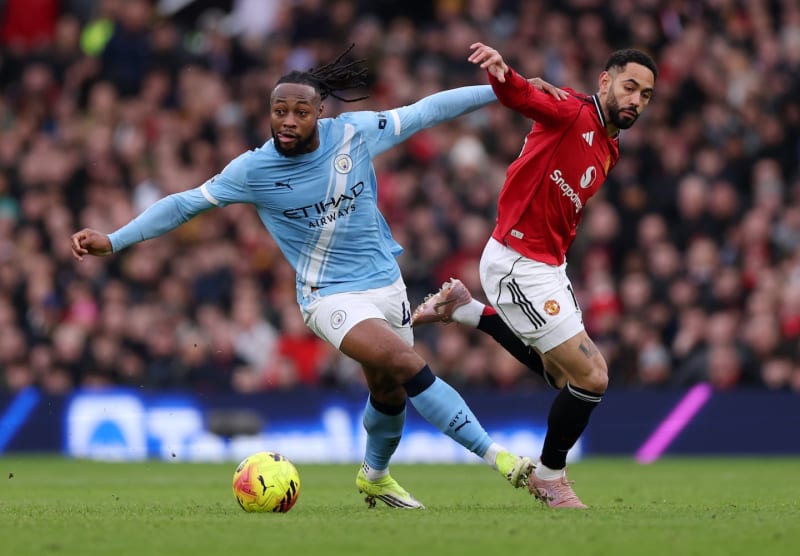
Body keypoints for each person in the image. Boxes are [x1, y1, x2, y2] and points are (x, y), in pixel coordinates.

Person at [70, 46, 563, 509]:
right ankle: (502, 460)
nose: (287, 121)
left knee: (389, 392)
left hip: (385, 284)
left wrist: (506, 89)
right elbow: (185, 204)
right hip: (327, 296)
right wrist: (116, 239)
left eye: (300, 112)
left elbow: (426, 111)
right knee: (404, 362)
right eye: (279, 111)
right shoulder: (253, 169)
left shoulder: (353, 134)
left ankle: (375, 475)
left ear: (319, 112)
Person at [414, 42, 657, 508]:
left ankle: (466, 309)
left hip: (549, 265)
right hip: (516, 262)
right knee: (593, 376)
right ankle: (550, 476)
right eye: (630, 87)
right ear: (605, 81)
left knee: (563, 378)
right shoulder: (569, 110)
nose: (636, 101)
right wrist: (504, 72)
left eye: (645, 95)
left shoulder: (611, 147)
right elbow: (523, 97)